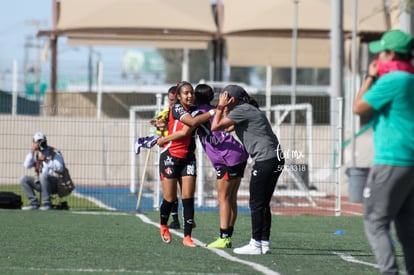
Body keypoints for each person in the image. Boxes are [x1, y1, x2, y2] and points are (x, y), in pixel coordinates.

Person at [353, 29, 414, 275]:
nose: (378, 58)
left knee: (374, 221)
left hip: (392, 158)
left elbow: (359, 107)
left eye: (381, 53)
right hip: (410, 161)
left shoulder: (392, 80)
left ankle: (389, 272)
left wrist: (369, 77)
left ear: (390, 54)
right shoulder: (410, 79)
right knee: (406, 225)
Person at [211, 85, 284, 255]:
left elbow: (215, 127)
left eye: (223, 97)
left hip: (265, 158)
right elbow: (227, 127)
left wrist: (221, 106)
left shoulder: (241, 109)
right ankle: (264, 243)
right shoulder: (247, 110)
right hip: (274, 158)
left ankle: (255, 244)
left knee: (256, 203)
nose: (220, 101)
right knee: (263, 203)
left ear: (232, 100)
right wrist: (223, 109)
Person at [156, 81, 214, 247]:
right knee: (170, 198)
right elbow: (192, 123)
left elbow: (189, 128)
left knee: (188, 198)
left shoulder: (196, 111)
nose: (189, 96)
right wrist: (212, 112)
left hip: (188, 157)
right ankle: (163, 224)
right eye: (186, 93)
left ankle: (187, 237)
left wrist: (219, 109)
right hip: (170, 155)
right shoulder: (177, 108)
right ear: (179, 96)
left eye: (191, 93)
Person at [193, 84, 248, 249]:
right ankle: (227, 236)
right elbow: (228, 127)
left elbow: (188, 125)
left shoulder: (198, 113)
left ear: (196, 97)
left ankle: (224, 237)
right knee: (231, 198)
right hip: (239, 153)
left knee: (223, 198)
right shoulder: (214, 110)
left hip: (227, 159)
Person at [150, 86, 182, 229]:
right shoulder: (164, 113)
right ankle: (174, 219)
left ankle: (188, 218)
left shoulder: (183, 113)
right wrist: (159, 128)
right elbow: (157, 131)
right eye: (170, 100)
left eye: (174, 100)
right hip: (168, 153)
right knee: (170, 190)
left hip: (182, 153)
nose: (171, 103)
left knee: (186, 190)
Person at [20, 132, 64, 210]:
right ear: (34, 143)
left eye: (42, 141)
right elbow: (26, 165)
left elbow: (60, 168)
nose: (40, 143)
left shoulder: (54, 152)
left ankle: (47, 203)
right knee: (24, 179)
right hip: (40, 182)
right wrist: (32, 151)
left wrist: (46, 160)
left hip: (55, 183)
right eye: (38, 142)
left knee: (43, 176)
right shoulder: (36, 153)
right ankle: (34, 203)